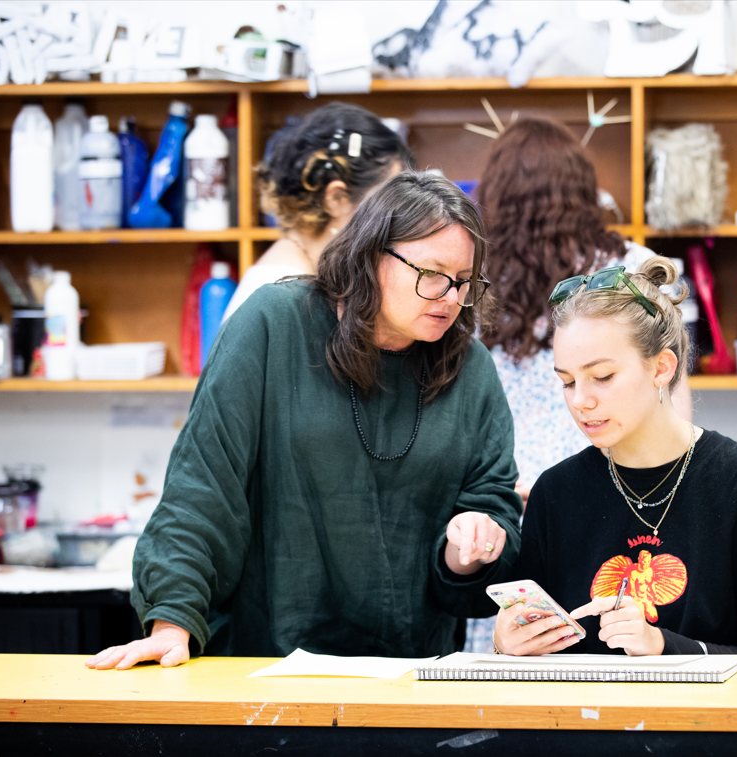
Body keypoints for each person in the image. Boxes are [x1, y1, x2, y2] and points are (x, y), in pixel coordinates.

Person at [87, 172, 521, 670]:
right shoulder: (273, 324)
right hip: (263, 663)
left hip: (409, 671)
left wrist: (469, 550)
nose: (449, 297)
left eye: (465, 282)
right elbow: (203, 486)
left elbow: (492, 504)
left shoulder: (469, 366)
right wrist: (173, 618)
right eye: (433, 274)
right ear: (372, 255)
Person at [492, 256, 737, 660]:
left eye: (602, 376)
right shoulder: (555, 493)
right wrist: (506, 646)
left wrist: (663, 645)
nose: (580, 400)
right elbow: (533, 658)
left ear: (662, 368)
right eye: (567, 381)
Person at [463, 118, 691, 653]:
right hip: (615, 498)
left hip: (507, 501)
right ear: (584, 191)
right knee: (622, 651)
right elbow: (674, 406)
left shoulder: (473, 277)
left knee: (520, 654)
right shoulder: (634, 268)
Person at [221, 102, 412, 322]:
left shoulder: (309, 274)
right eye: (387, 197)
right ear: (336, 198)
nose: (396, 213)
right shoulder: (285, 292)